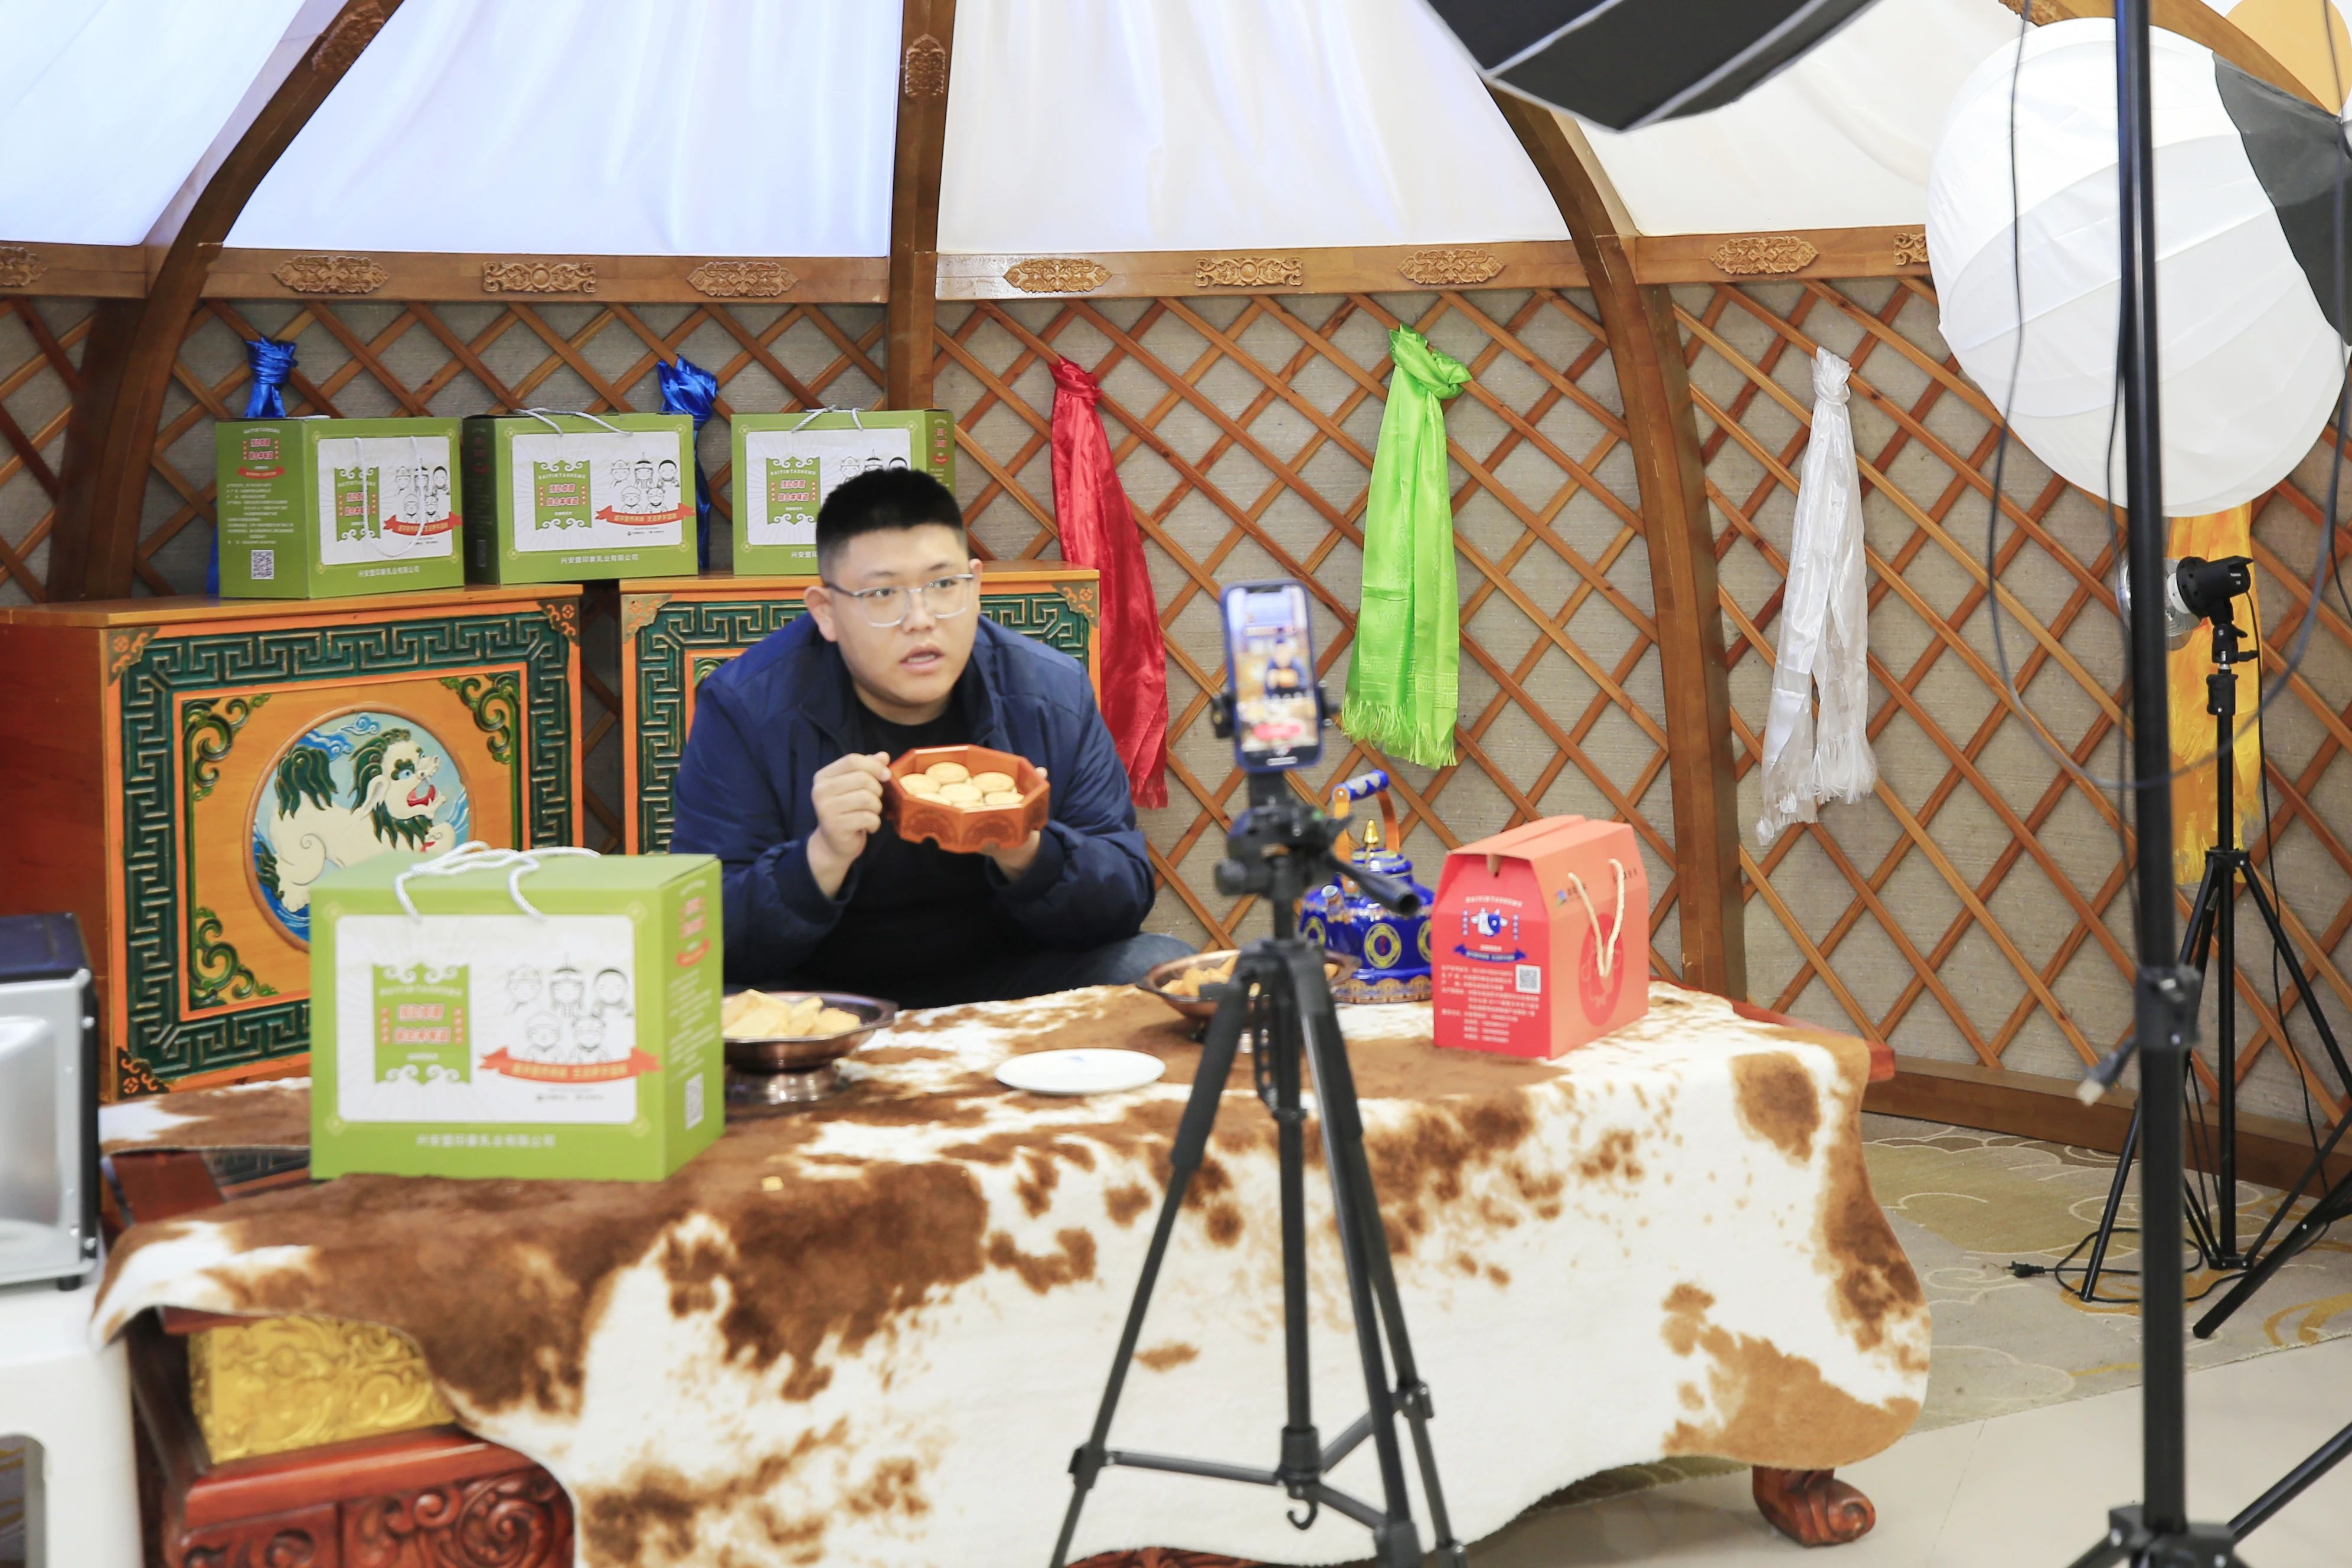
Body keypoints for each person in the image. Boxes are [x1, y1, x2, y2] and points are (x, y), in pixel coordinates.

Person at [671, 468, 1190, 1007]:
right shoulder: (746, 706)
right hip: (820, 997)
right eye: (882, 593)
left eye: (943, 586)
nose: (920, 619)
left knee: (1155, 966)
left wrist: (1029, 851)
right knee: (702, 1007)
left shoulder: (1049, 692)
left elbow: (1124, 896)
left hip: (1007, 982)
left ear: (976, 586)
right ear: (826, 612)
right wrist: (820, 858)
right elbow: (707, 934)